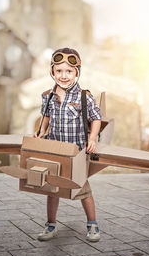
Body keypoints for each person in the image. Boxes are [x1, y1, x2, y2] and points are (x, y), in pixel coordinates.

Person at [33, 47, 102, 242]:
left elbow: (96, 118)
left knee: (82, 188)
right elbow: (45, 116)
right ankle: (51, 225)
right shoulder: (48, 96)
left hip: (76, 152)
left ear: (77, 73)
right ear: (52, 72)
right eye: (59, 71)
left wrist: (92, 138)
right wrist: (41, 132)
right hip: (54, 151)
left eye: (69, 71)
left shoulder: (83, 97)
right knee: (52, 188)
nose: (64, 76)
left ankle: (93, 225)